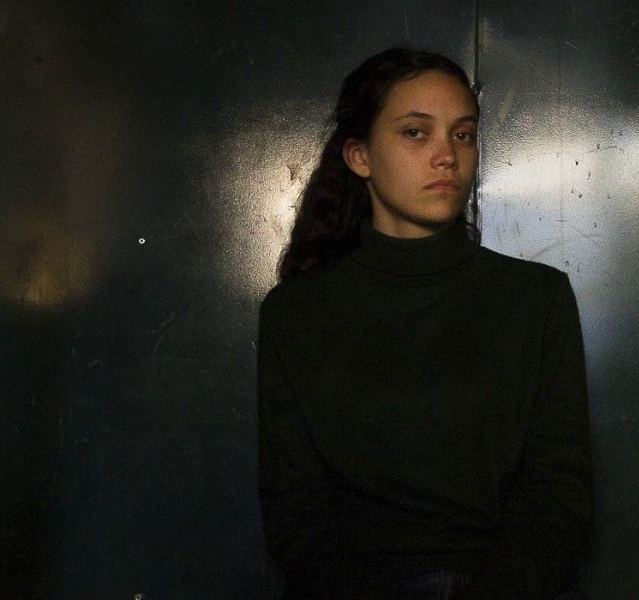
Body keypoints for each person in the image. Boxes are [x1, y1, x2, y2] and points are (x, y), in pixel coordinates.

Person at [257, 48, 592, 599]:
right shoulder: (296, 314)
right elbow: (297, 515)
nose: (447, 157)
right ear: (360, 156)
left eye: (463, 135)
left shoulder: (537, 299)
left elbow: (558, 497)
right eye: (416, 132)